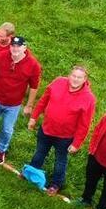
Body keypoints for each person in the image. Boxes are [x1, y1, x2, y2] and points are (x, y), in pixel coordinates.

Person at [26, 64, 96, 196]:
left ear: (85, 79)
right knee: (39, 153)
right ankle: (31, 172)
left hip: (65, 137)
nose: (75, 79)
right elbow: (43, 101)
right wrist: (34, 117)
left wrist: (76, 143)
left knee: (60, 161)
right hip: (46, 129)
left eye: (79, 77)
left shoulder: (89, 99)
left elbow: (84, 124)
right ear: (69, 75)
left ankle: (56, 184)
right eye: (74, 76)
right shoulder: (58, 82)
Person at [0, 35, 39, 162]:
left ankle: (1, 150)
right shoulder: (0, 57)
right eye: (13, 46)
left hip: (13, 104)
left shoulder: (33, 65)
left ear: (24, 48)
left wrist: (29, 105)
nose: (15, 49)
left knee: (7, 129)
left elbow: (34, 87)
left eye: (18, 46)